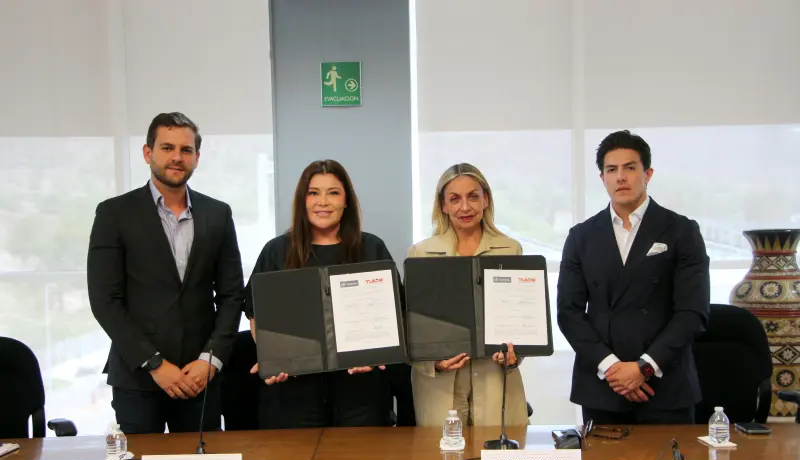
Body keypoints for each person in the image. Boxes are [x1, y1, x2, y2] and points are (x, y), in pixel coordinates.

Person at [87, 112, 244, 434]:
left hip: (200, 377)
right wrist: (155, 364)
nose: (177, 157)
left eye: (186, 150)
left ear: (197, 157)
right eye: (167, 148)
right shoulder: (114, 213)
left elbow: (231, 295)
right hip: (138, 378)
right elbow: (105, 300)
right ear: (148, 153)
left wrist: (211, 359)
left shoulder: (218, 213)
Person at [245, 159, 413, 428]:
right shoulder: (277, 251)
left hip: (361, 392)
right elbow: (256, 313)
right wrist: (274, 358)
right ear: (303, 201)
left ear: (346, 201)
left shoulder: (371, 248)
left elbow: (395, 313)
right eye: (313, 193)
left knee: (360, 456)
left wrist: (375, 356)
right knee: (295, 456)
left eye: (333, 192)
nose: (323, 202)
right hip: (294, 391)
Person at [557, 130, 710, 425]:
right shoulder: (581, 236)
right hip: (603, 387)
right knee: (600, 459)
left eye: (630, 167)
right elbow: (568, 312)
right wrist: (612, 369)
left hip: (665, 387)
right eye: (611, 170)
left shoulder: (681, 231)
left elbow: (693, 312)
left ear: (647, 174)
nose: (620, 177)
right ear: (602, 178)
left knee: (669, 458)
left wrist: (644, 368)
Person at [407, 163, 529, 427]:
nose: (465, 207)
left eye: (473, 196)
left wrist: (515, 355)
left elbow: (521, 316)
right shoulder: (421, 253)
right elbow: (411, 325)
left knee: (497, 449)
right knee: (440, 452)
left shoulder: (510, 249)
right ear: (443, 205)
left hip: (494, 376)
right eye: (454, 199)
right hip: (440, 383)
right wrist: (433, 362)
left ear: (486, 200)